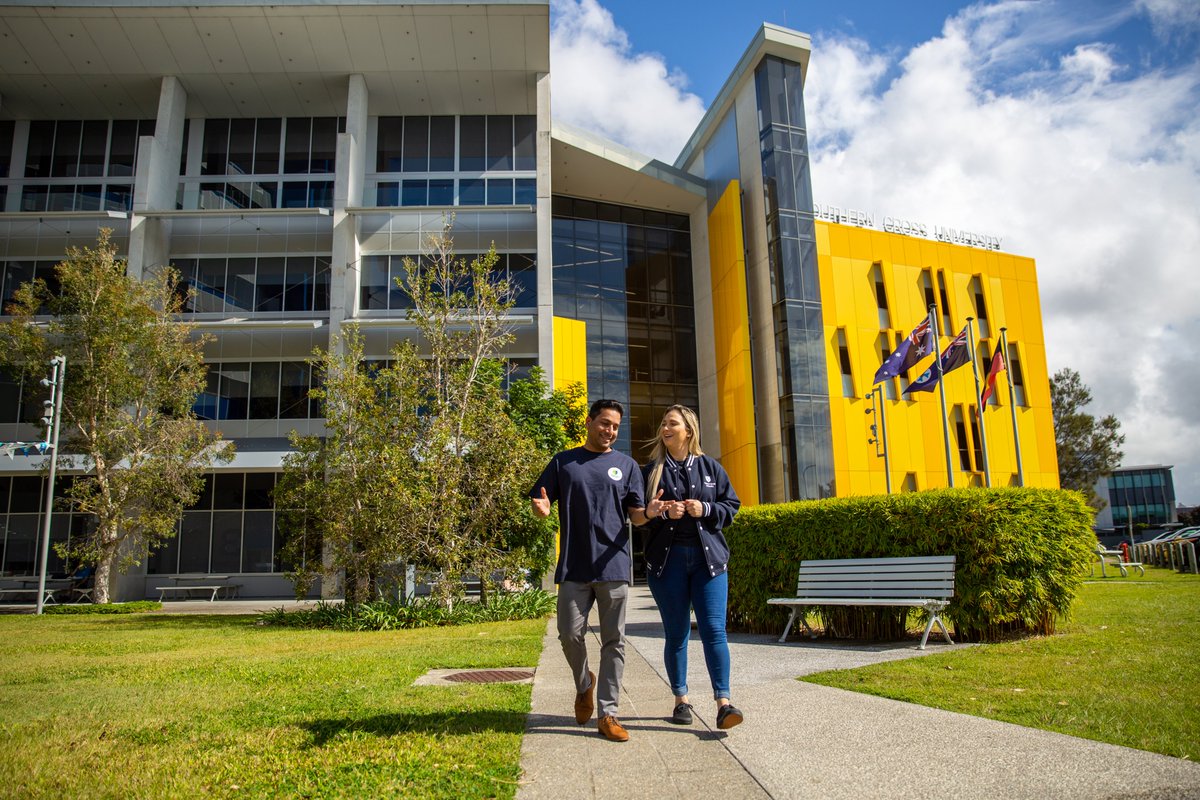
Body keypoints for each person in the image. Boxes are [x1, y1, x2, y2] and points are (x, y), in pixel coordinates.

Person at [530, 399, 665, 742]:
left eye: (616, 426)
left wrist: (648, 512)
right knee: (568, 633)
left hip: (614, 565)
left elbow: (635, 514)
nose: (610, 431)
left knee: (614, 641)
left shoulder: (626, 465)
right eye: (604, 423)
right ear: (589, 422)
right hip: (574, 566)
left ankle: (609, 713)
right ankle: (584, 683)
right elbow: (542, 499)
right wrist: (542, 508)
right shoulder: (564, 462)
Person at [641, 404, 744, 729]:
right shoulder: (651, 471)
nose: (665, 428)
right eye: (663, 424)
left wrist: (706, 508)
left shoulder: (711, 468)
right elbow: (638, 518)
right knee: (677, 633)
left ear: (689, 430)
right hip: (667, 564)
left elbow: (732, 505)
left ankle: (724, 703)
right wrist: (658, 512)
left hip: (708, 563)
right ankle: (681, 700)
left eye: (672, 423)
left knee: (715, 630)